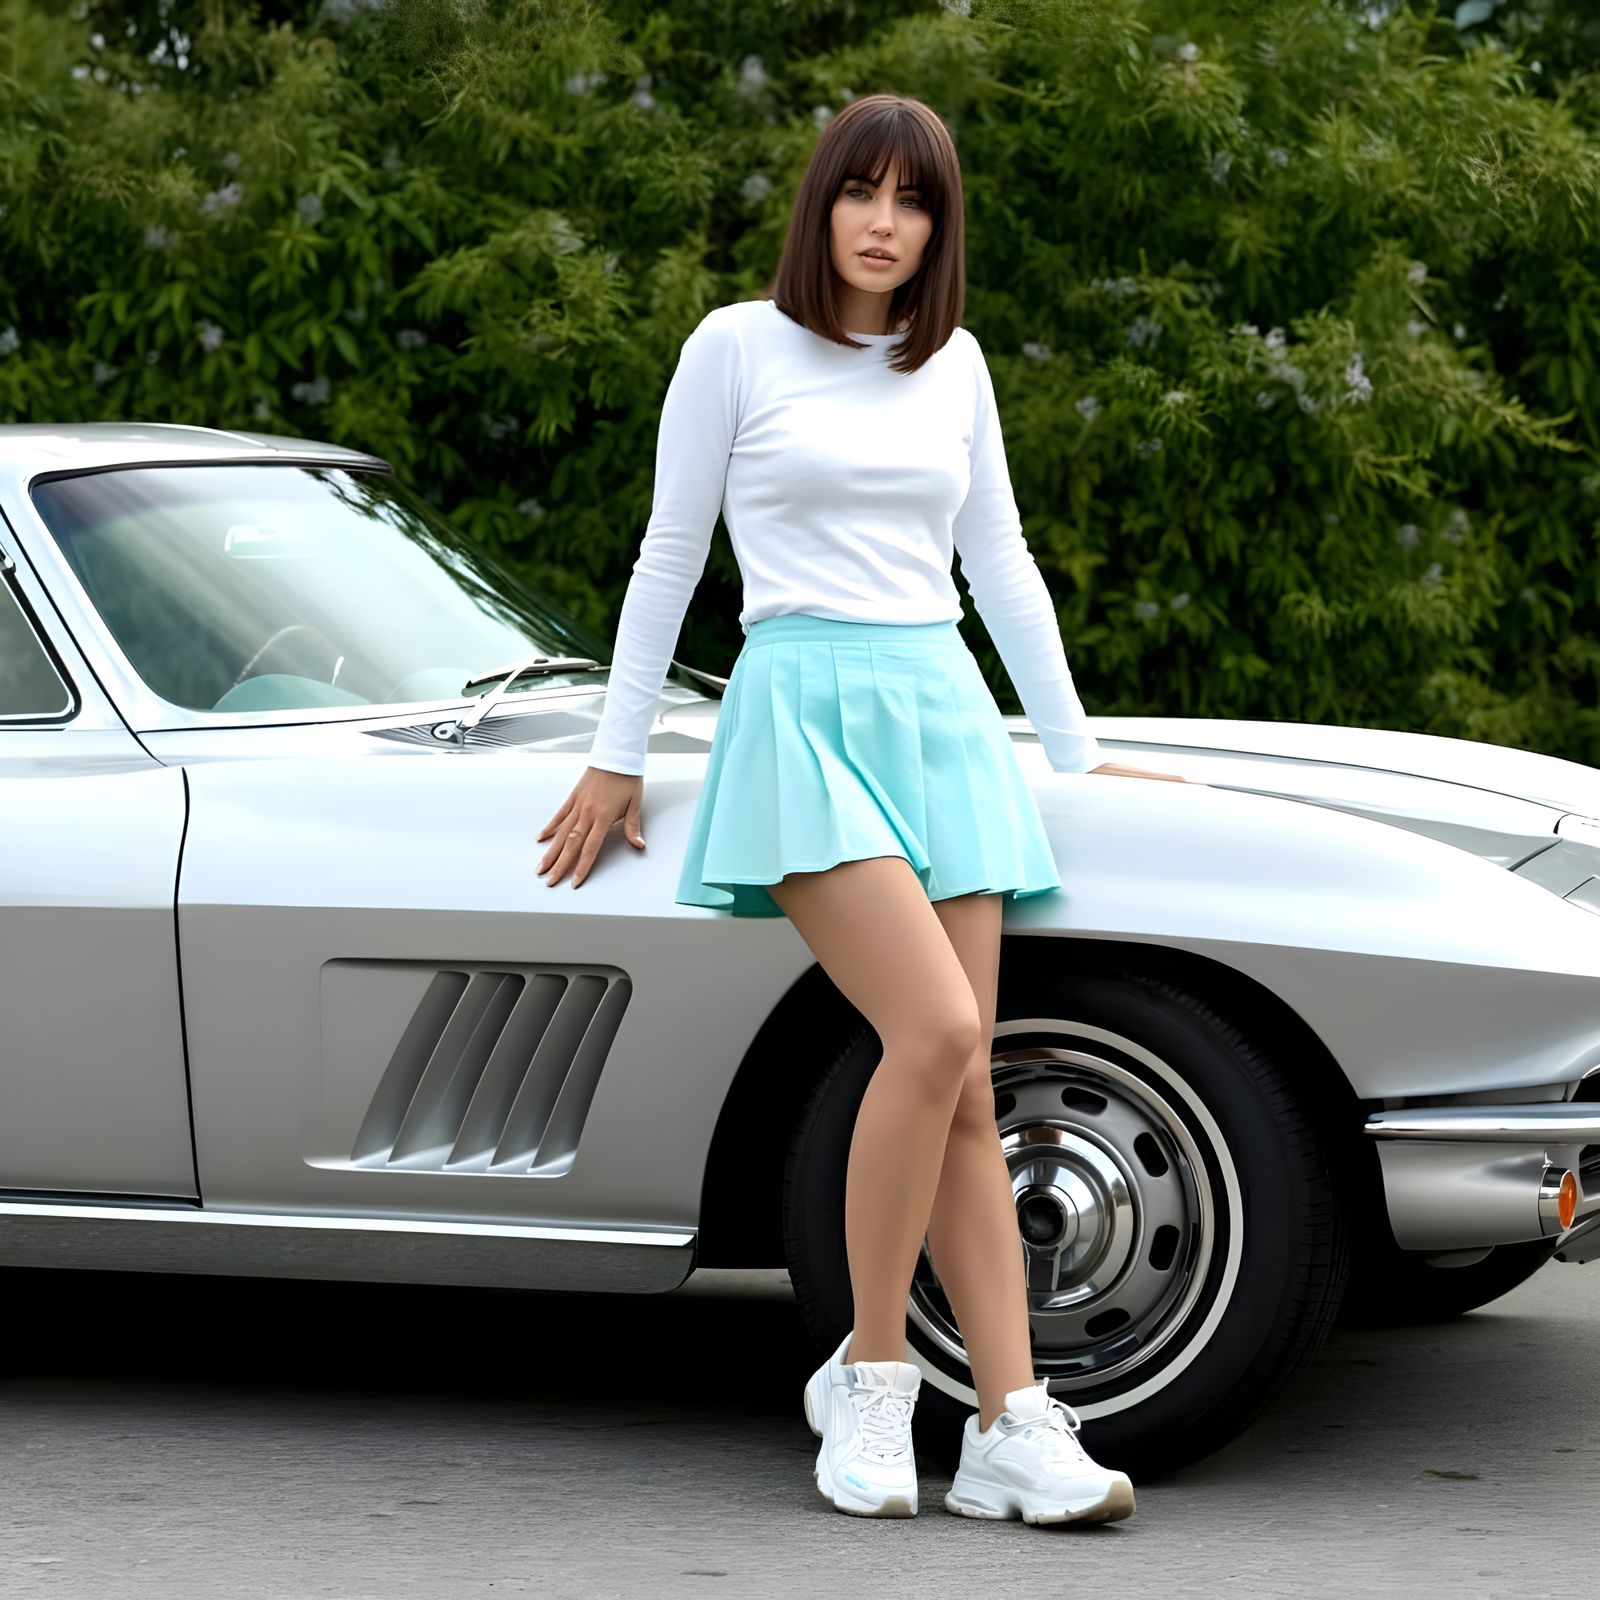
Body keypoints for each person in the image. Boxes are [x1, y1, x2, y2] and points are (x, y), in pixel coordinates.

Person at [536, 92, 1189, 1525]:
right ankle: (874, 1373)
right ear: (821, 204)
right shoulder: (734, 346)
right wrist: (616, 749)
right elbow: (669, 552)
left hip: (941, 712)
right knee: (941, 1030)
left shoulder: (954, 365)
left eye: (916, 203)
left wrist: (1072, 751)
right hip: (805, 709)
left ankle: (1013, 1420)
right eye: (862, 194)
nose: (885, 224)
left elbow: (999, 561)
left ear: (940, 228)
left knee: (965, 1083)